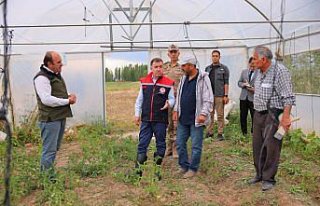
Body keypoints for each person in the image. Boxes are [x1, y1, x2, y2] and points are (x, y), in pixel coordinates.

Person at [248, 46, 295, 191]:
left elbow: (288, 97)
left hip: (273, 115)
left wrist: (285, 118)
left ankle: (269, 178)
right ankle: (259, 174)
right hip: (258, 113)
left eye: (255, 59)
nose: (252, 62)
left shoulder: (280, 71)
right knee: (257, 145)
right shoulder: (258, 72)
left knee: (272, 146)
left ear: (263, 59)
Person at [34, 51, 77, 174]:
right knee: (49, 150)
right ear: (49, 63)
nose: (61, 65)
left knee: (54, 148)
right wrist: (67, 101)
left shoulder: (55, 75)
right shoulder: (42, 77)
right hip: (50, 119)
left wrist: (68, 96)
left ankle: (48, 173)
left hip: (58, 117)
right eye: (58, 62)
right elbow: (46, 99)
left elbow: (55, 93)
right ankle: (46, 178)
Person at [134, 57, 175, 180]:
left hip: (160, 120)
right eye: (156, 67)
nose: (158, 69)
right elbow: (139, 100)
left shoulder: (168, 83)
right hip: (146, 120)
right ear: (151, 68)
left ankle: (157, 171)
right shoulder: (144, 82)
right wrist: (137, 114)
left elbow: (172, 98)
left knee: (161, 146)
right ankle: (138, 173)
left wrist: (170, 103)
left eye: (160, 66)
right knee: (142, 145)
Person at [173, 56, 213, 179]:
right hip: (183, 118)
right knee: (179, 143)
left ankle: (193, 168)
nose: (182, 67)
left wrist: (203, 113)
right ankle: (184, 166)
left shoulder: (203, 78)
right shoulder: (184, 78)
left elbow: (208, 98)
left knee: (196, 146)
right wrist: (176, 110)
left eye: (184, 66)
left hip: (196, 119)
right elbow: (179, 96)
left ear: (191, 66)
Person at [163, 44, 184, 158]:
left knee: (176, 124)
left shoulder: (182, 69)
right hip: (165, 100)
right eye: (171, 52)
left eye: (175, 52)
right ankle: (168, 147)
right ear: (168, 54)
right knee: (168, 123)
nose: (173, 54)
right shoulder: (164, 67)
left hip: (177, 100)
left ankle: (176, 147)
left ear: (178, 53)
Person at [205, 50, 230, 141]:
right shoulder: (207, 69)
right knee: (210, 115)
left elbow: (226, 83)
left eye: (216, 56)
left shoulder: (224, 68)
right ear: (211, 57)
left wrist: (226, 95)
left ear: (219, 57)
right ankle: (210, 132)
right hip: (209, 96)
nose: (214, 57)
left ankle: (220, 133)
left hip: (219, 95)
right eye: (213, 56)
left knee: (220, 115)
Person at [238, 57, 257, 136]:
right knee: (243, 115)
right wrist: (244, 85)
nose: (252, 65)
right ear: (249, 63)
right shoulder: (244, 72)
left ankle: (254, 132)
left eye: (254, 63)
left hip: (253, 98)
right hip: (243, 97)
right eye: (251, 63)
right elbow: (239, 82)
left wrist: (254, 89)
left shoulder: (259, 73)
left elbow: (260, 86)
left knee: (254, 116)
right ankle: (244, 133)